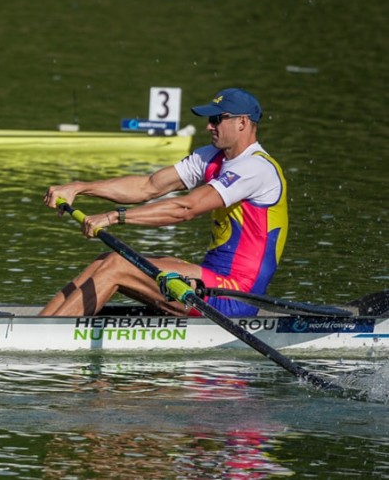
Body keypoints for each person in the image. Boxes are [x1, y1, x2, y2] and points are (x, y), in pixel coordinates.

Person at [40, 88, 287, 317]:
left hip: (234, 296)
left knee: (117, 265)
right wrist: (81, 187)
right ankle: (43, 324)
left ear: (242, 122)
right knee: (105, 259)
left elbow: (185, 209)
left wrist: (114, 217)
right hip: (209, 282)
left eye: (216, 120)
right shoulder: (212, 157)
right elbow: (149, 186)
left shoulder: (256, 167)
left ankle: (46, 338)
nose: (208, 127)